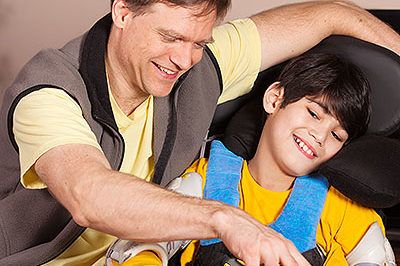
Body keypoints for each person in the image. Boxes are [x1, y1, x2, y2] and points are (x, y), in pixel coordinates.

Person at [1, 0, 400, 265]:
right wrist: (225, 219)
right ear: (123, 11)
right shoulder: (49, 92)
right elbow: (90, 195)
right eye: (171, 37)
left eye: (199, 42)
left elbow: (332, 14)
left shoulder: (198, 63)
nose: (183, 60)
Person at [106, 53, 396, 266]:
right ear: (275, 98)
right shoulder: (208, 181)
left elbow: (376, 258)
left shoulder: (340, 207)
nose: (319, 135)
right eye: (313, 113)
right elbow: (141, 240)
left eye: (336, 135)